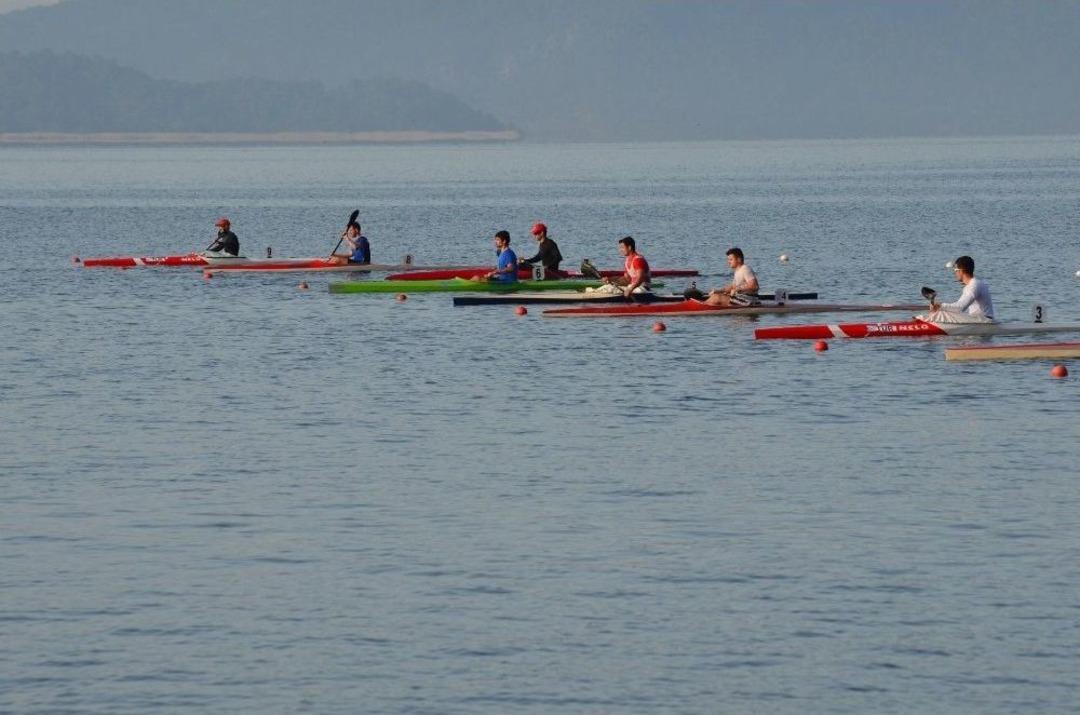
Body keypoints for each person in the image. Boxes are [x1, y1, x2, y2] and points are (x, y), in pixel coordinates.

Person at [930, 255, 994, 319]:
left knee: (941, 315)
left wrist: (941, 306)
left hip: (985, 322)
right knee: (942, 312)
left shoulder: (974, 285)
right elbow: (959, 306)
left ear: (961, 271)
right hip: (979, 321)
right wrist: (940, 307)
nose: (955, 273)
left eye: (955, 270)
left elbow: (960, 308)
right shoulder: (972, 285)